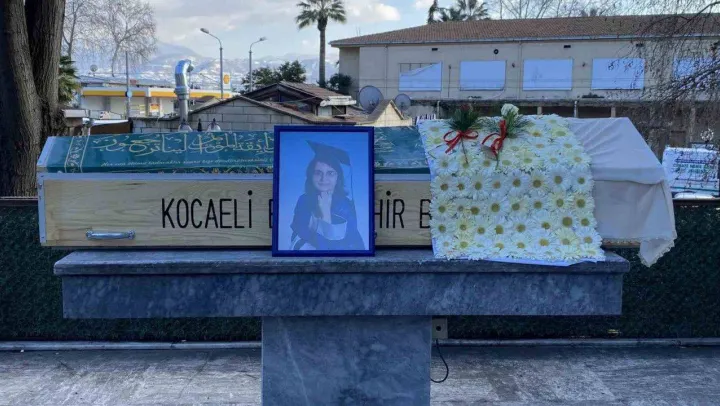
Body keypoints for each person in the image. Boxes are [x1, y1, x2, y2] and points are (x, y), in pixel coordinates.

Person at [289, 141, 365, 250]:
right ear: (311, 176)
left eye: (330, 173)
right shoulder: (304, 200)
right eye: (318, 173)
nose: (323, 179)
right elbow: (300, 235)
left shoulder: (346, 206)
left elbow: (334, 247)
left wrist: (325, 212)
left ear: (338, 177)